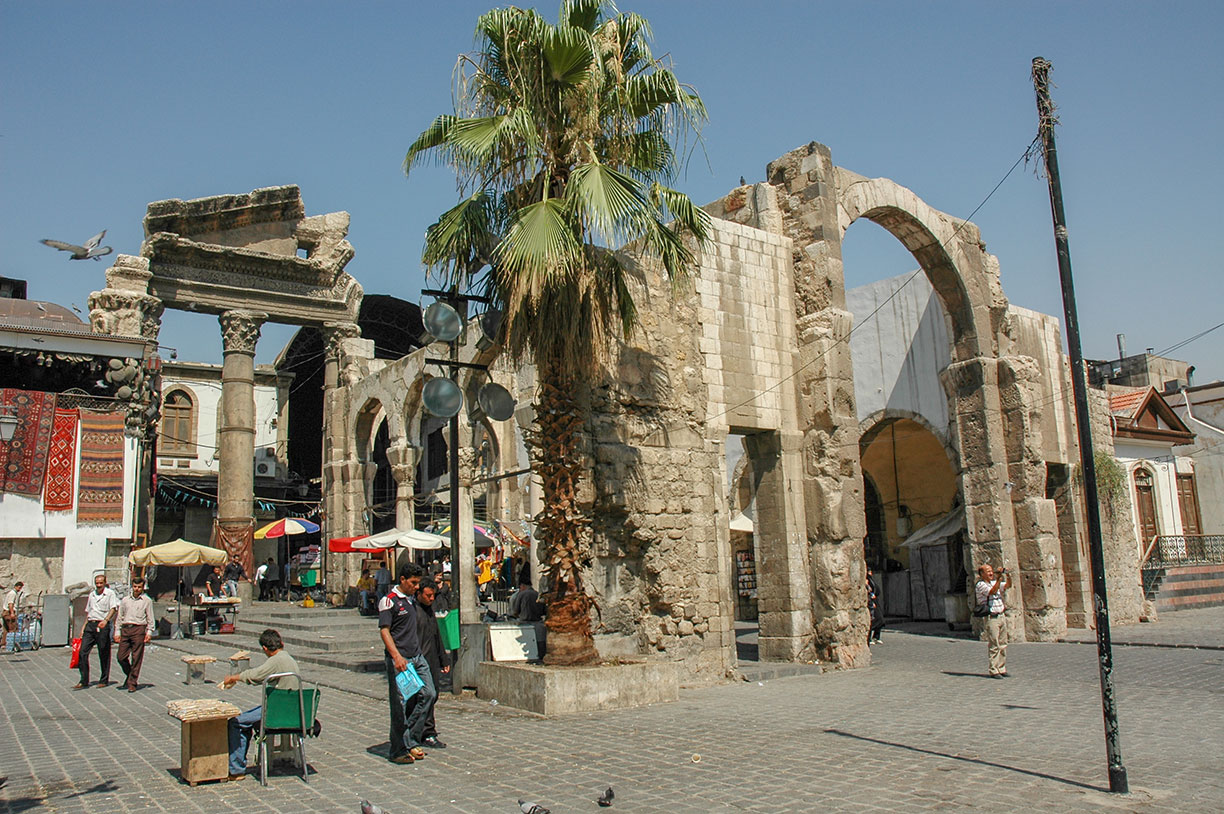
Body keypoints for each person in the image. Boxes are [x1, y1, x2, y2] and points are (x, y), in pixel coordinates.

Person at [219, 628, 300, 781]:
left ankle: (236, 769)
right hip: (293, 710)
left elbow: (256, 675)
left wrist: (234, 678)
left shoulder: (276, 660)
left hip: (276, 712)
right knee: (247, 718)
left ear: (265, 648)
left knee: (237, 722)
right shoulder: (288, 658)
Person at [378, 563, 436, 764]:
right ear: (402, 580)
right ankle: (398, 748)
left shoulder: (412, 600)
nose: (416, 586)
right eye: (413, 582)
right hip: (401, 659)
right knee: (400, 705)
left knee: (429, 694)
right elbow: (385, 630)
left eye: (417, 583)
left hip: (417, 657)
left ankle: (409, 737)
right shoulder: (389, 601)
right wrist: (396, 657)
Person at [414, 583, 451, 748]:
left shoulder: (430, 610)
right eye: (428, 595)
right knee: (424, 696)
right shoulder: (413, 611)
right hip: (417, 661)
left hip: (432, 660)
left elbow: (436, 635)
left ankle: (423, 729)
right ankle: (427, 731)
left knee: (433, 694)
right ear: (419, 593)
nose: (431, 599)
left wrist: (444, 659)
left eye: (433, 595)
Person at [75, 574, 119, 689]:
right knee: (82, 652)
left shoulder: (110, 594)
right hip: (91, 624)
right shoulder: (92, 595)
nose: (99, 585)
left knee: (103, 652)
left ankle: (104, 679)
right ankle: (84, 680)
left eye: (101, 583)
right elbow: (88, 612)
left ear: (105, 583)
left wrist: (106, 620)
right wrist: (83, 628)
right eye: (97, 583)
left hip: (102, 624)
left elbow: (113, 608)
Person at [113, 576, 154, 692]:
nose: (137, 589)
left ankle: (132, 682)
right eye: (135, 587)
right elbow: (120, 616)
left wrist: (149, 632)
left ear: (142, 587)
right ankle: (130, 674)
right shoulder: (125, 600)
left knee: (136, 657)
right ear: (132, 587)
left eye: (139, 587)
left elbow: (150, 617)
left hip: (138, 629)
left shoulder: (147, 601)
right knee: (121, 656)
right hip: (126, 629)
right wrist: (117, 631)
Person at [975, 563, 1012, 678]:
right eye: (988, 571)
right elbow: (992, 592)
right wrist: (998, 579)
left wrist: (1007, 575)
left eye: (991, 571)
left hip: (1001, 615)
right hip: (992, 617)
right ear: (982, 574)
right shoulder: (980, 585)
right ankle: (993, 669)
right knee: (994, 644)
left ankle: (1001, 668)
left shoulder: (993, 582)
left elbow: (1007, 586)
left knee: (1003, 643)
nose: (991, 573)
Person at [2, 581, 24, 653]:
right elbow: (10, 604)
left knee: (6, 629)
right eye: (20, 588)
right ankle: (10, 644)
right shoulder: (13, 594)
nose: (20, 589)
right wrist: (12, 613)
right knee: (12, 628)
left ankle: (4, 643)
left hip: (6, 612)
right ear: (17, 586)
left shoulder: (11, 593)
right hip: (9, 612)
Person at [866, 567, 884, 645]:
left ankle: (876, 636)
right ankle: (868, 638)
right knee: (872, 620)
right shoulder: (866, 580)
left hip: (875, 601)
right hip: (870, 601)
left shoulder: (871, 580)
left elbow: (877, 589)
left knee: (880, 618)